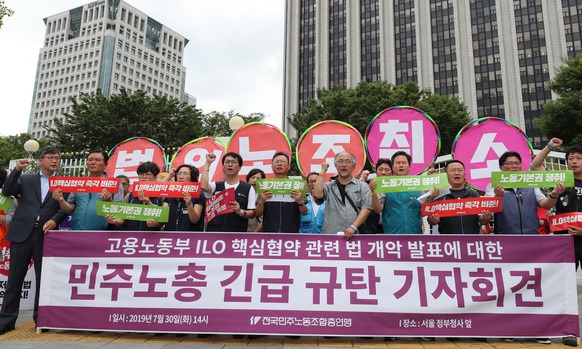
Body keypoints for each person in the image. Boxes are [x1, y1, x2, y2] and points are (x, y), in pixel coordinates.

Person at [0, 147, 67, 334]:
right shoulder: (27, 178)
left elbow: (66, 207)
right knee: (14, 279)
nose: (54, 160)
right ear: (40, 160)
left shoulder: (62, 182)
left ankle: (41, 320)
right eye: (50, 157)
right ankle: (6, 321)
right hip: (22, 232)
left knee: (43, 279)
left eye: (57, 158)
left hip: (46, 234)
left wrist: (55, 220)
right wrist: (17, 170)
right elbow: (7, 190)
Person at [486, 151, 565, 235]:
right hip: (505, 236)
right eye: (510, 163)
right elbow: (488, 210)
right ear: (501, 167)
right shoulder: (493, 185)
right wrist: (498, 197)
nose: (514, 166)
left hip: (531, 235)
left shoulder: (530, 184)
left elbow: (546, 205)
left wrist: (554, 195)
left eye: (517, 163)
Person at [554, 146, 582, 347]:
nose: (574, 161)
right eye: (571, 158)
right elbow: (534, 167)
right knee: (566, 289)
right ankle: (568, 332)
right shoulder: (560, 182)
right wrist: (549, 148)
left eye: (579, 158)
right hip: (564, 241)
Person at [52, 150, 121, 230]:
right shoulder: (79, 182)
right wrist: (61, 200)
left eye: (97, 160)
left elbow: (120, 211)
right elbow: (69, 208)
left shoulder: (114, 184)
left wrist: (109, 201)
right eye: (90, 160)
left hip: (103, 234)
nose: (93, 163)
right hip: (77, 231)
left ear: (106, 164)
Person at [312, 151, 372, 239]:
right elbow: (317, 194)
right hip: (331, 235)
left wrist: (353, 227)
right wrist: (323, 171)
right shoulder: (329, 186)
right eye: (340, 161)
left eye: (348, 161)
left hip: (355, 235)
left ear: (353, 166)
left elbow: (366, 208)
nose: (344, 165)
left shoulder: (363, 186)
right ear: (336, 166)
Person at [426, 160, 492, 234]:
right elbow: (431, 221)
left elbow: (482, 220)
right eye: (453, 170)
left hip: (471, 242)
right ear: (446, 174)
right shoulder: (439, 196)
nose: (457, 173)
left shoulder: (474, 195)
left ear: (464, 174)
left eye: (460, 170)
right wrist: (432, 220)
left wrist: (485, 219)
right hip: (449, 243)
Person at [200, 152, 256, 232]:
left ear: (239, 167)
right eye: (227, 162)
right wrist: (208, 163)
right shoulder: (216, 185)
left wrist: (240, 211)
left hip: (237, 234)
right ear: (222, 167)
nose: (230, 164)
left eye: (233, 162)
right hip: (214, 232)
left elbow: (252, 213)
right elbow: (203, 186)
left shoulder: (248, 188)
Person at [371, 151, 422, 234]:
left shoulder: (418, 184)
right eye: (398, 163)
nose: (401, 165)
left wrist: (430, 198)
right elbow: (378, 209)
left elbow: (423, 211)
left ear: (409, 167)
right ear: (393, 167)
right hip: (392, 236)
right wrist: (373, 193)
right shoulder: (385, 185)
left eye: (404, 163)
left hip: (415, 234)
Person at [254, 152, 307, 233]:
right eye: (276, 162)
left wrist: (299, 201)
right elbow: (257, 214)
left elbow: (304, 212)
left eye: (282, 161)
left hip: (291, 234)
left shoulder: (297, 185)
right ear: (272, 167)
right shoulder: (264, 186)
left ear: (289, 167)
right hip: (269, 234)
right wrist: (261, 202)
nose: (279, 164)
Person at [106, 161, 164, 231]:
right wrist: (115, 221)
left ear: (155, 178)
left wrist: (148, 203)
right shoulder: (129, 196)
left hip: (152, 238)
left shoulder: (161, 197)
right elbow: (121, 219)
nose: (144, 177)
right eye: (141, 174)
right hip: (131, 237)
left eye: (148, 174)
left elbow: (162, 221)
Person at [149, 164, 206, 231]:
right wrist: (154, 223)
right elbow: (162, 220)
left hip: (190, 238)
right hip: (170, 237)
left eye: (185, 174)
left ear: (193, 177)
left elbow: (195, 220)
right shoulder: (170, 193)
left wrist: (189, 205)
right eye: (179, 173)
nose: (181, 177)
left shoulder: (198, 194)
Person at [365, 159, 392, 234]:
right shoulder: (368, 186)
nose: (383, 173)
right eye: (380, 170)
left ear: (392, 172)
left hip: (391, 227)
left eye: (387, 170)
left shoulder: (396, 188)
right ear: (376, 171)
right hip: (372, 228)